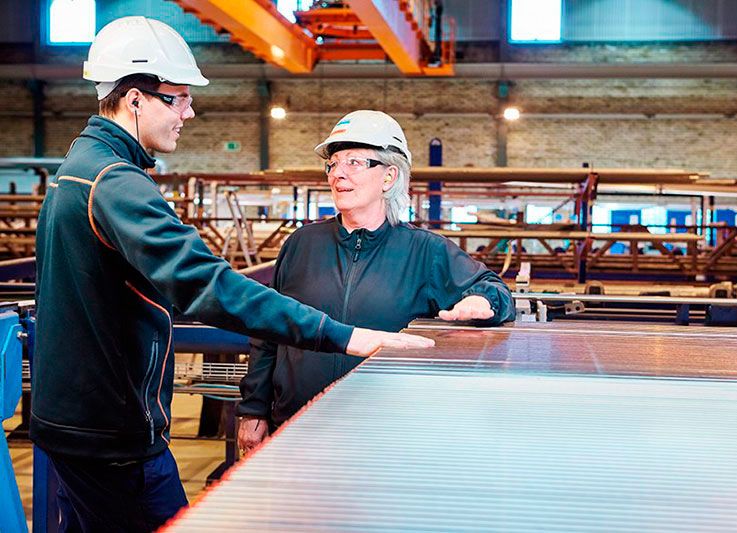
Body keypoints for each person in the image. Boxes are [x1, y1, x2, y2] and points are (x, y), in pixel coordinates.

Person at [31, 18, 432, 532]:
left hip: (76, 425)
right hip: (111, 435)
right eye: (178, 98)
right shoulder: (115, 183)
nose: (189, 111)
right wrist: (344, 335)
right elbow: (208, 284)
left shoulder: (78, 167)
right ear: (135, 99)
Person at [237, 110, 515, 453]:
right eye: (333, 163)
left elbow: (495, 289)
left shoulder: (424, 250)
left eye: (354, 162)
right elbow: (269, 332)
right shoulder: (301, 244)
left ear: (388, 176)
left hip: (383, 434)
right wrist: (253, 410)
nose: (337, 174)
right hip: (296, 428)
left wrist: (482, 301)